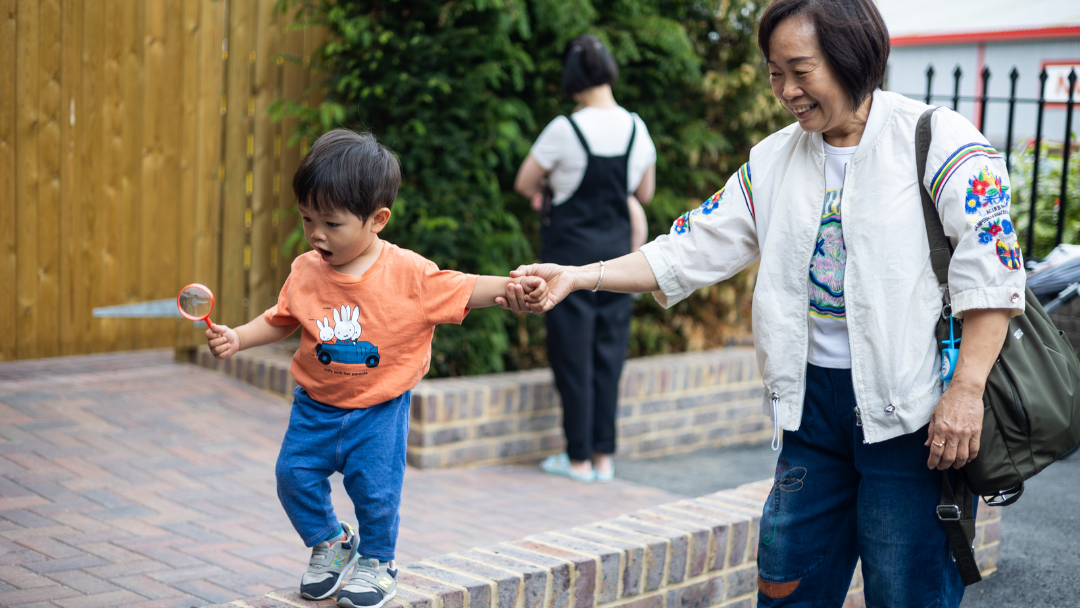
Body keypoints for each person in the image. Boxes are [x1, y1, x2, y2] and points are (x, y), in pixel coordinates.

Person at [501, 0, 1026, 605]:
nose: (785, 91)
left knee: (906, 592)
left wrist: (966, 391)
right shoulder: (774, 159)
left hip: (914, 415)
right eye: (775, 73)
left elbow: (993, 272)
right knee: (786, 586)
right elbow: (688, 248)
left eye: (800, 70)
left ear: (852, 57)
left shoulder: (939, 140)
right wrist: (579, 275)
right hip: (810, 412)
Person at [205, 130, 547, 608]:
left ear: (377, 220)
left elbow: (466, 287)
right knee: (292, 476)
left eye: (331, 223)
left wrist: (516, 288)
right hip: (314, 409)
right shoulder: (306, 269)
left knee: (376, 493)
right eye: (306, 218)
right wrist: (239, 337)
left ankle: (378, 562)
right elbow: (281, 318)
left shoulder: (409, 274)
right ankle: (332, 542)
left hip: (379, 412)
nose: (316, 234)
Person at [513, 34, 657, 483]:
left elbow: (524, 182)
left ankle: (577, 459)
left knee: (572, 357)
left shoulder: (564, 129)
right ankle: (603, 457)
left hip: (569, 262)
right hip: (618, 262)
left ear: (572, 77)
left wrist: (547, 192)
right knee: (609, 356)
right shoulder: (637, 128)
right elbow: (645, 192)